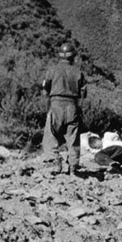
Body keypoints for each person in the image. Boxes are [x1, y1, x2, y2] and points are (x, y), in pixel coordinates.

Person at [42, 42, 87, 175]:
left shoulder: (52, 70)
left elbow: (45, 90)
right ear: (73, 56)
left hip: (55, 104)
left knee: (50, 137)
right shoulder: (78, 72)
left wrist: (47, 107)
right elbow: (83, 94)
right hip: (72, 106)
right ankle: (73, 168)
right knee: (73, 139)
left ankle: (56, 162)